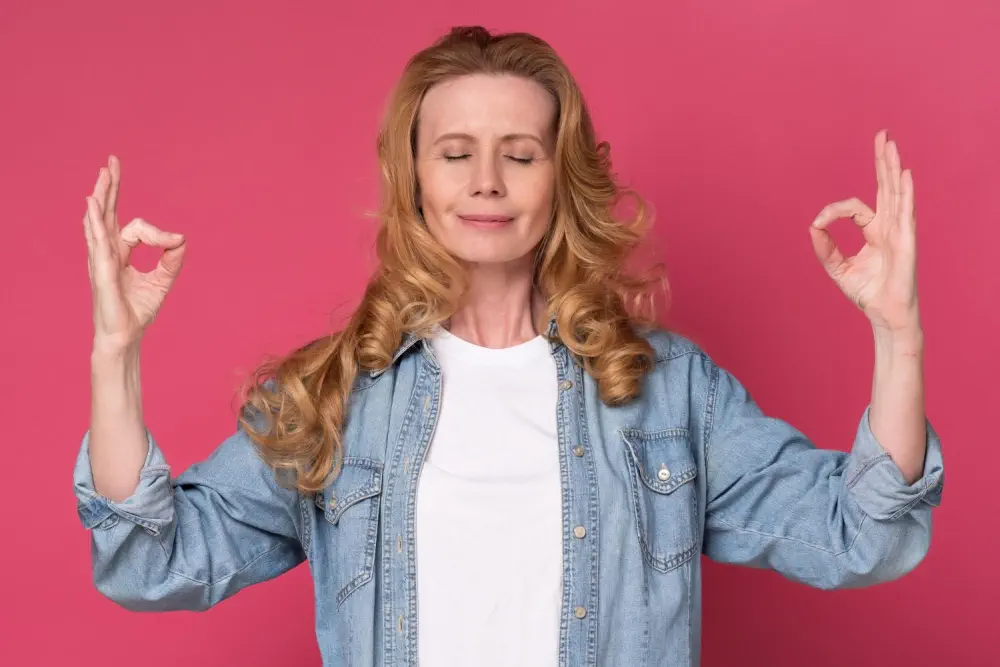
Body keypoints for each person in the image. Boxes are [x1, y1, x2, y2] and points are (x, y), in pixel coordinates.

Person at [74, 25, 944, 667]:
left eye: (520, 155)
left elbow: (860, 534)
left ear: (560, 178)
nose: (486, 180)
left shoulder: (670, 393)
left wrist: (898, 336)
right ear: (414, 177)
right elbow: (152, 562)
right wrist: (115, 356)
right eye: (456, 153)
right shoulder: (335, 394)